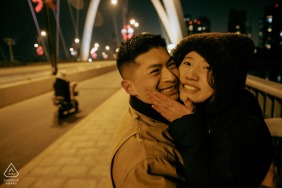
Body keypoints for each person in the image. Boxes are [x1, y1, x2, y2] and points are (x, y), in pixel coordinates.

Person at [146, 33, 274, 188]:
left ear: (226, 78)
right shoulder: (201, 109)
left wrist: (188, 126)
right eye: (187, 63)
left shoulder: (243, 124)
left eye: (208, 67)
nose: (191, 75)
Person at [109, 33, 186, 188]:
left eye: (171, 64)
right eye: (155, 71)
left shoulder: (149, 115)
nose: (170, 77)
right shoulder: (149, 162)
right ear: (129, 87)